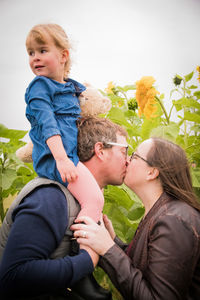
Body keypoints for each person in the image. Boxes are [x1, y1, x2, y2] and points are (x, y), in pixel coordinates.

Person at [0, 117, 128, 299]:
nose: (128, 160)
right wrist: (87, 261)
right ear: (100, 150)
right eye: (124, 151)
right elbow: (14, 276)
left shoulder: (83, 200)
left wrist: (111, 243)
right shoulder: (51, 197)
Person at [71, 137, 200, 300]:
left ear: (152, 172)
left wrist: (108, 249)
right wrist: (113, 241)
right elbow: (145, 268)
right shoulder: (163, 211)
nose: (126, 161)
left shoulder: (175, 220)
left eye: (134, 156)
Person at [24, 23, 104, 223]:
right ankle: (86, 251)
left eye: (42, 50)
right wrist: (61, 159)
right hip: (55, 159)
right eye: (31, 52)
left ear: (63, 56)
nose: (35, 57)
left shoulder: (69, 86)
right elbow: (47, 124)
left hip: (69, 156)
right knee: (94, 200)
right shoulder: (39, 86)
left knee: (90, 198)